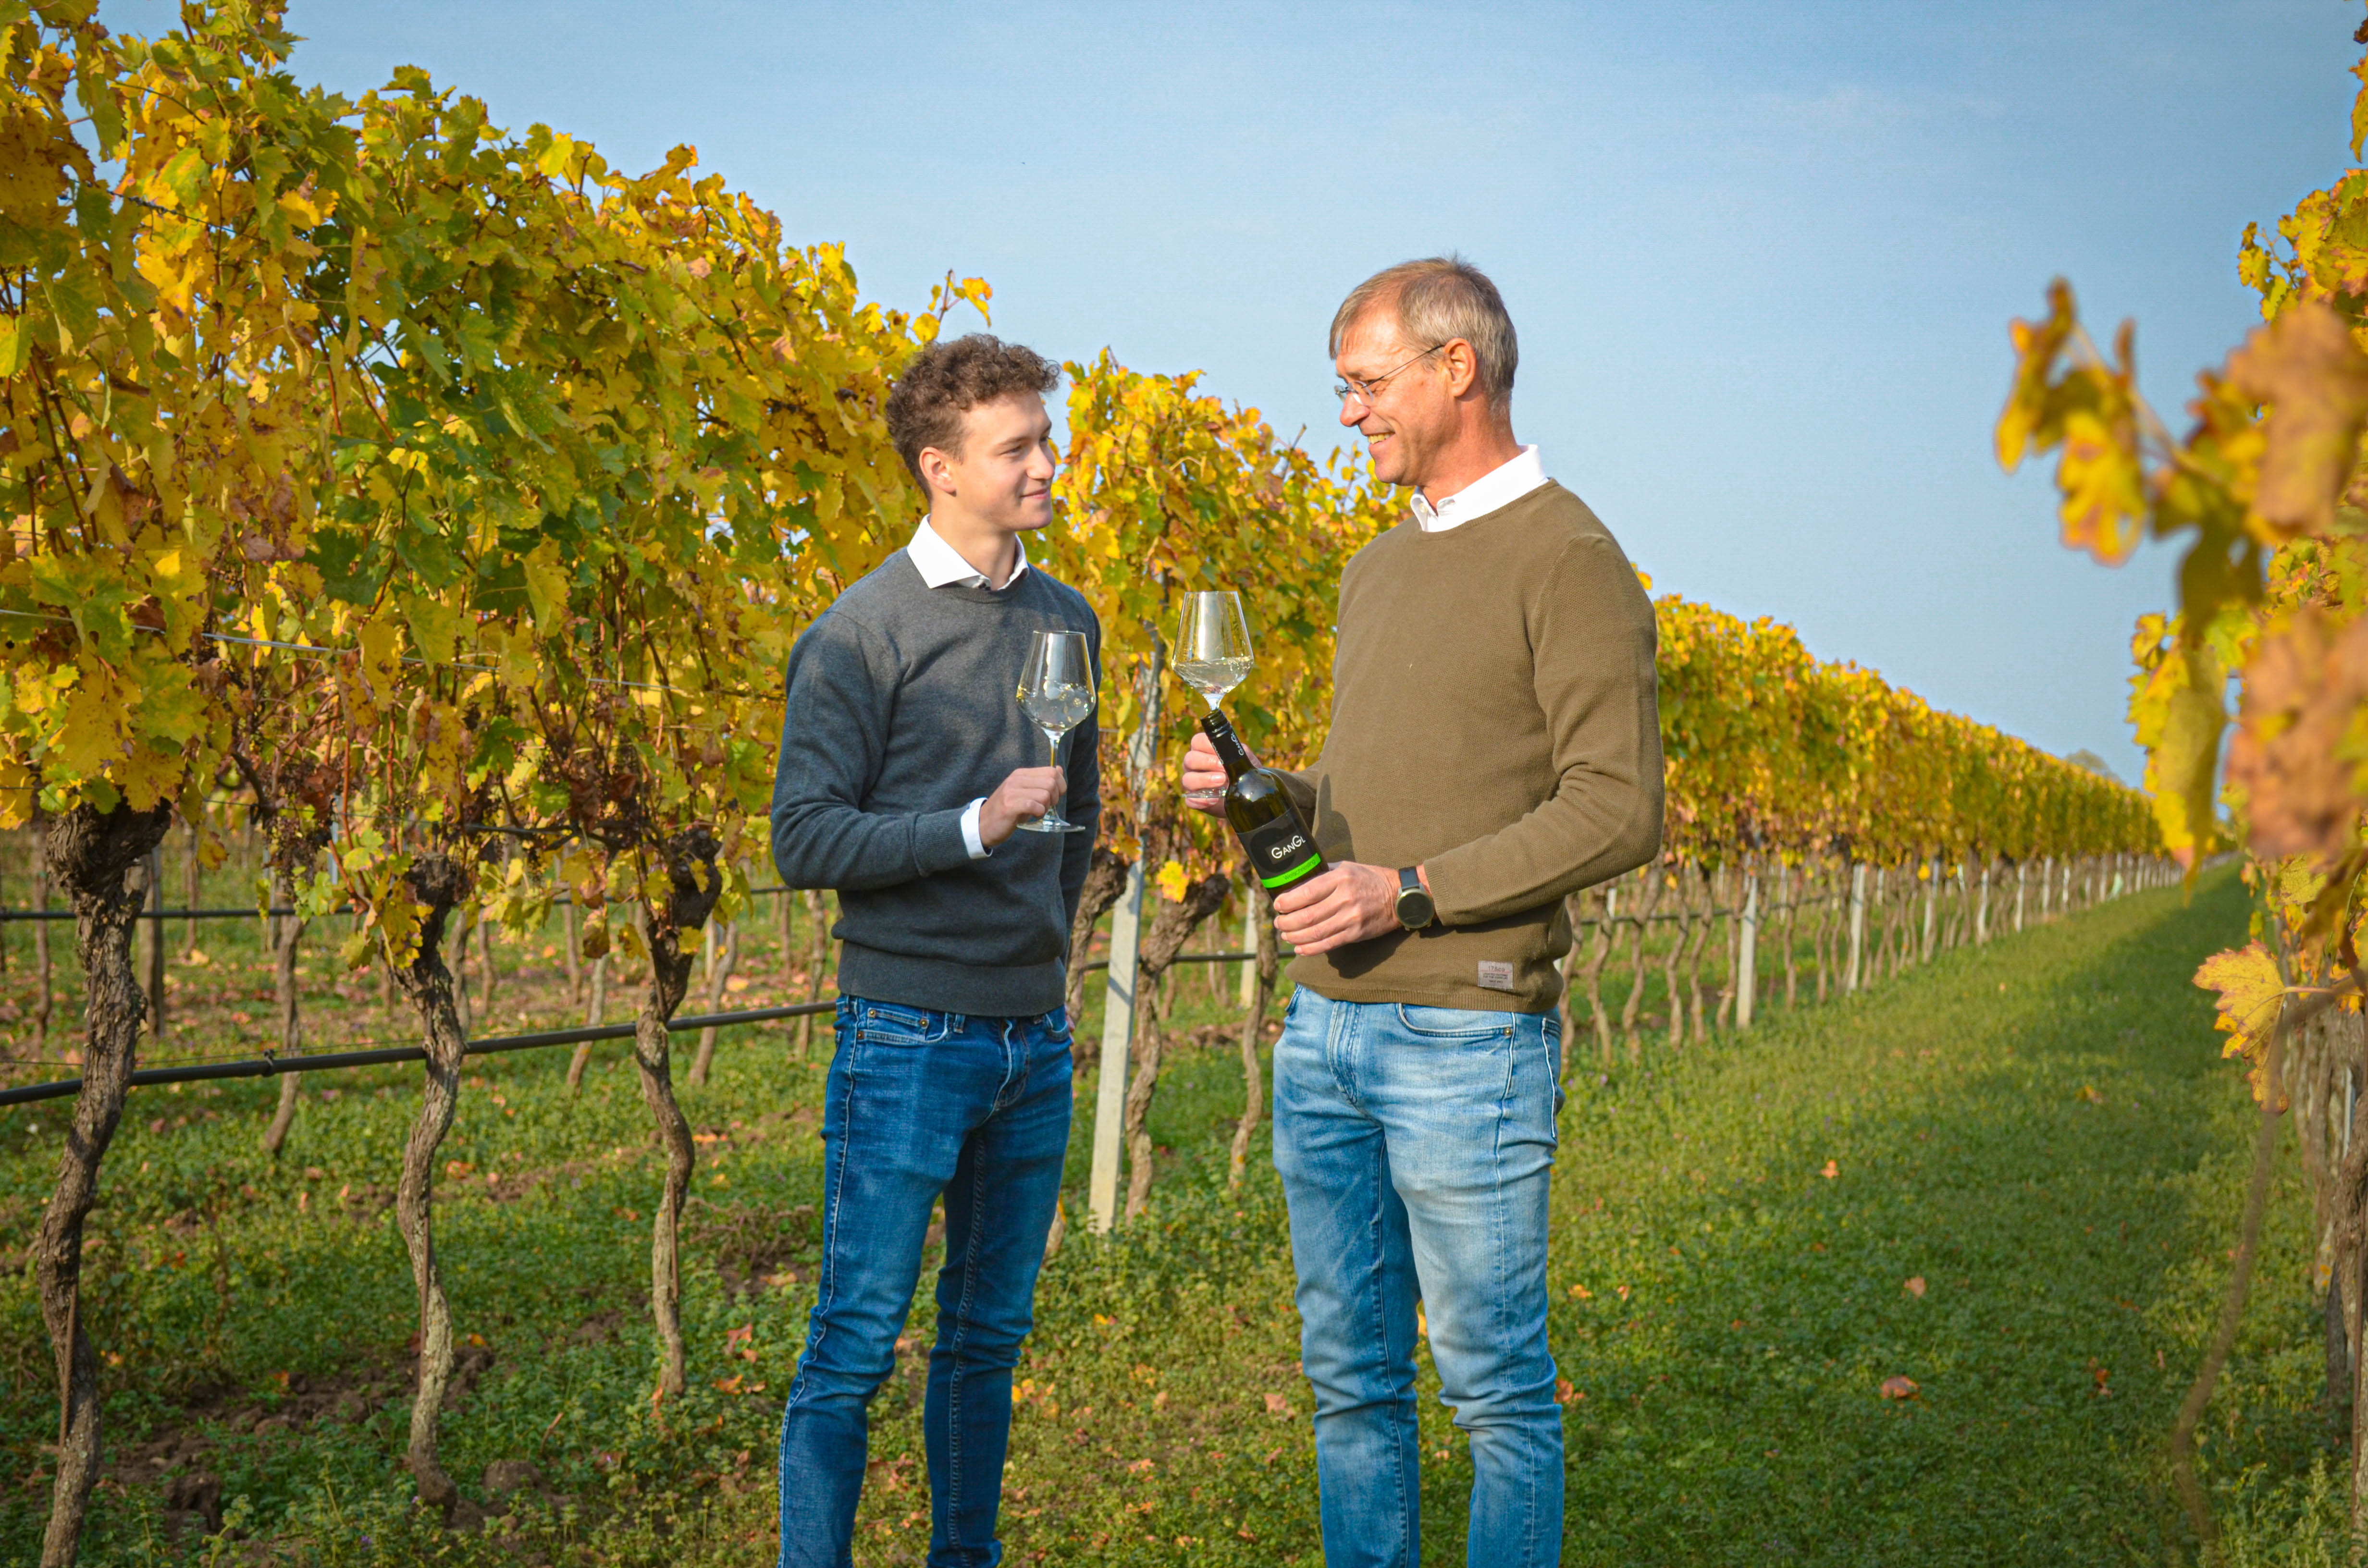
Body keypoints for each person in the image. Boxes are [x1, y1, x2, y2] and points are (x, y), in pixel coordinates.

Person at [1183, 257, 1663, 1568]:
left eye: (1367, 383)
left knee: (1496, 1396)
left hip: (1466, 1040)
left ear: (1458, 369)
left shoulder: (1570, 560)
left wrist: (1406, 891)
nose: (1349, 414)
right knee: (1350, 1388)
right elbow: (1368, 796)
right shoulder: (1376, 570)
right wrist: (1262, 792)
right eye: (1344, 388)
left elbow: (1617, 809)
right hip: (1325, 1035)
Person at [771, 333, 1100, 1568]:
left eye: (1043, 441)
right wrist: (975, 824)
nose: (1044, 466)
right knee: (855, 1341)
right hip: (906, 1034)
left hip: (1032, 1036)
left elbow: (1085, 818)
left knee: (986, 1342)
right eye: (1017, 448)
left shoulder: (1067, 620)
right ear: (940, 468)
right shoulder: (860, 632)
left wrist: (1045, 961)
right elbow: (803, 837)